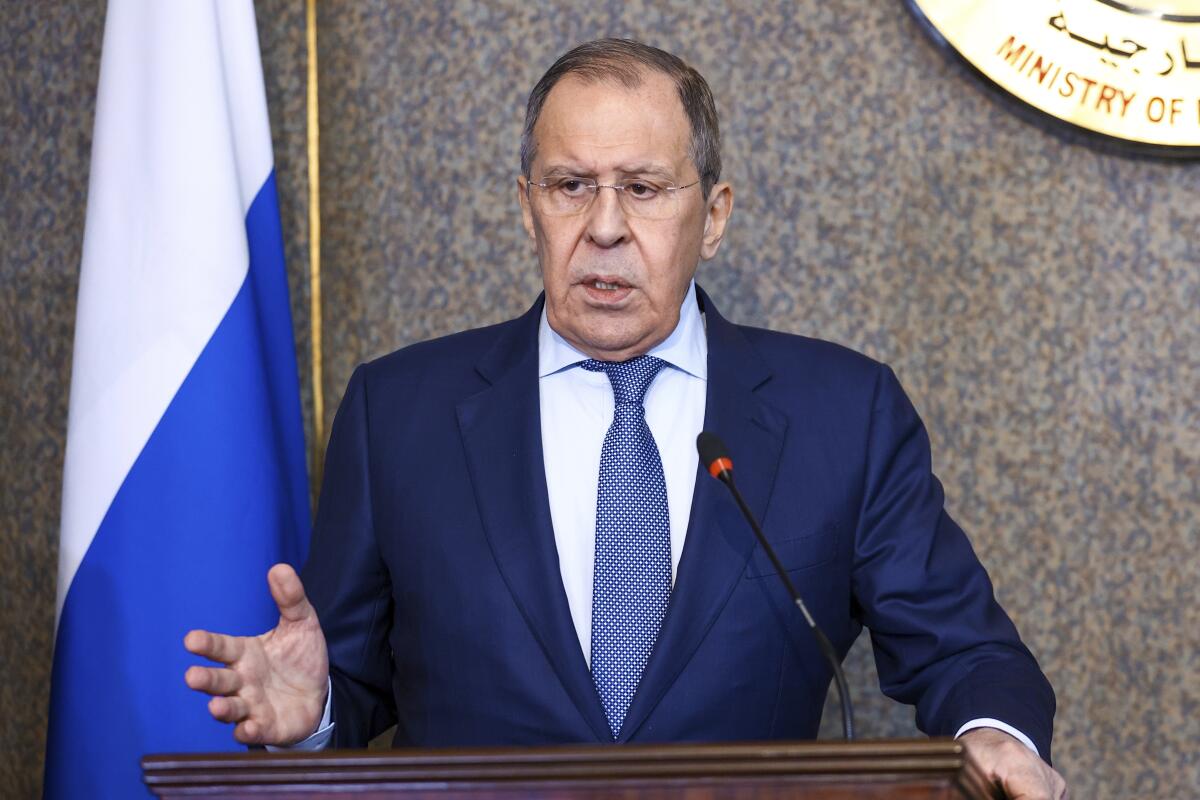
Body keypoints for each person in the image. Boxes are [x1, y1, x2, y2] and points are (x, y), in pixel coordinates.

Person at [185, 39, 1067, 799]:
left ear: (713, 216)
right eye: (571, 186)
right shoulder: (399, 412)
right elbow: (347, 684)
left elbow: (967, 655)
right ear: (526, 203)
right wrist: (314, 714)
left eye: (644, 188)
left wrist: (998, 738)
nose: (604, 227)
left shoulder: (842, 413)